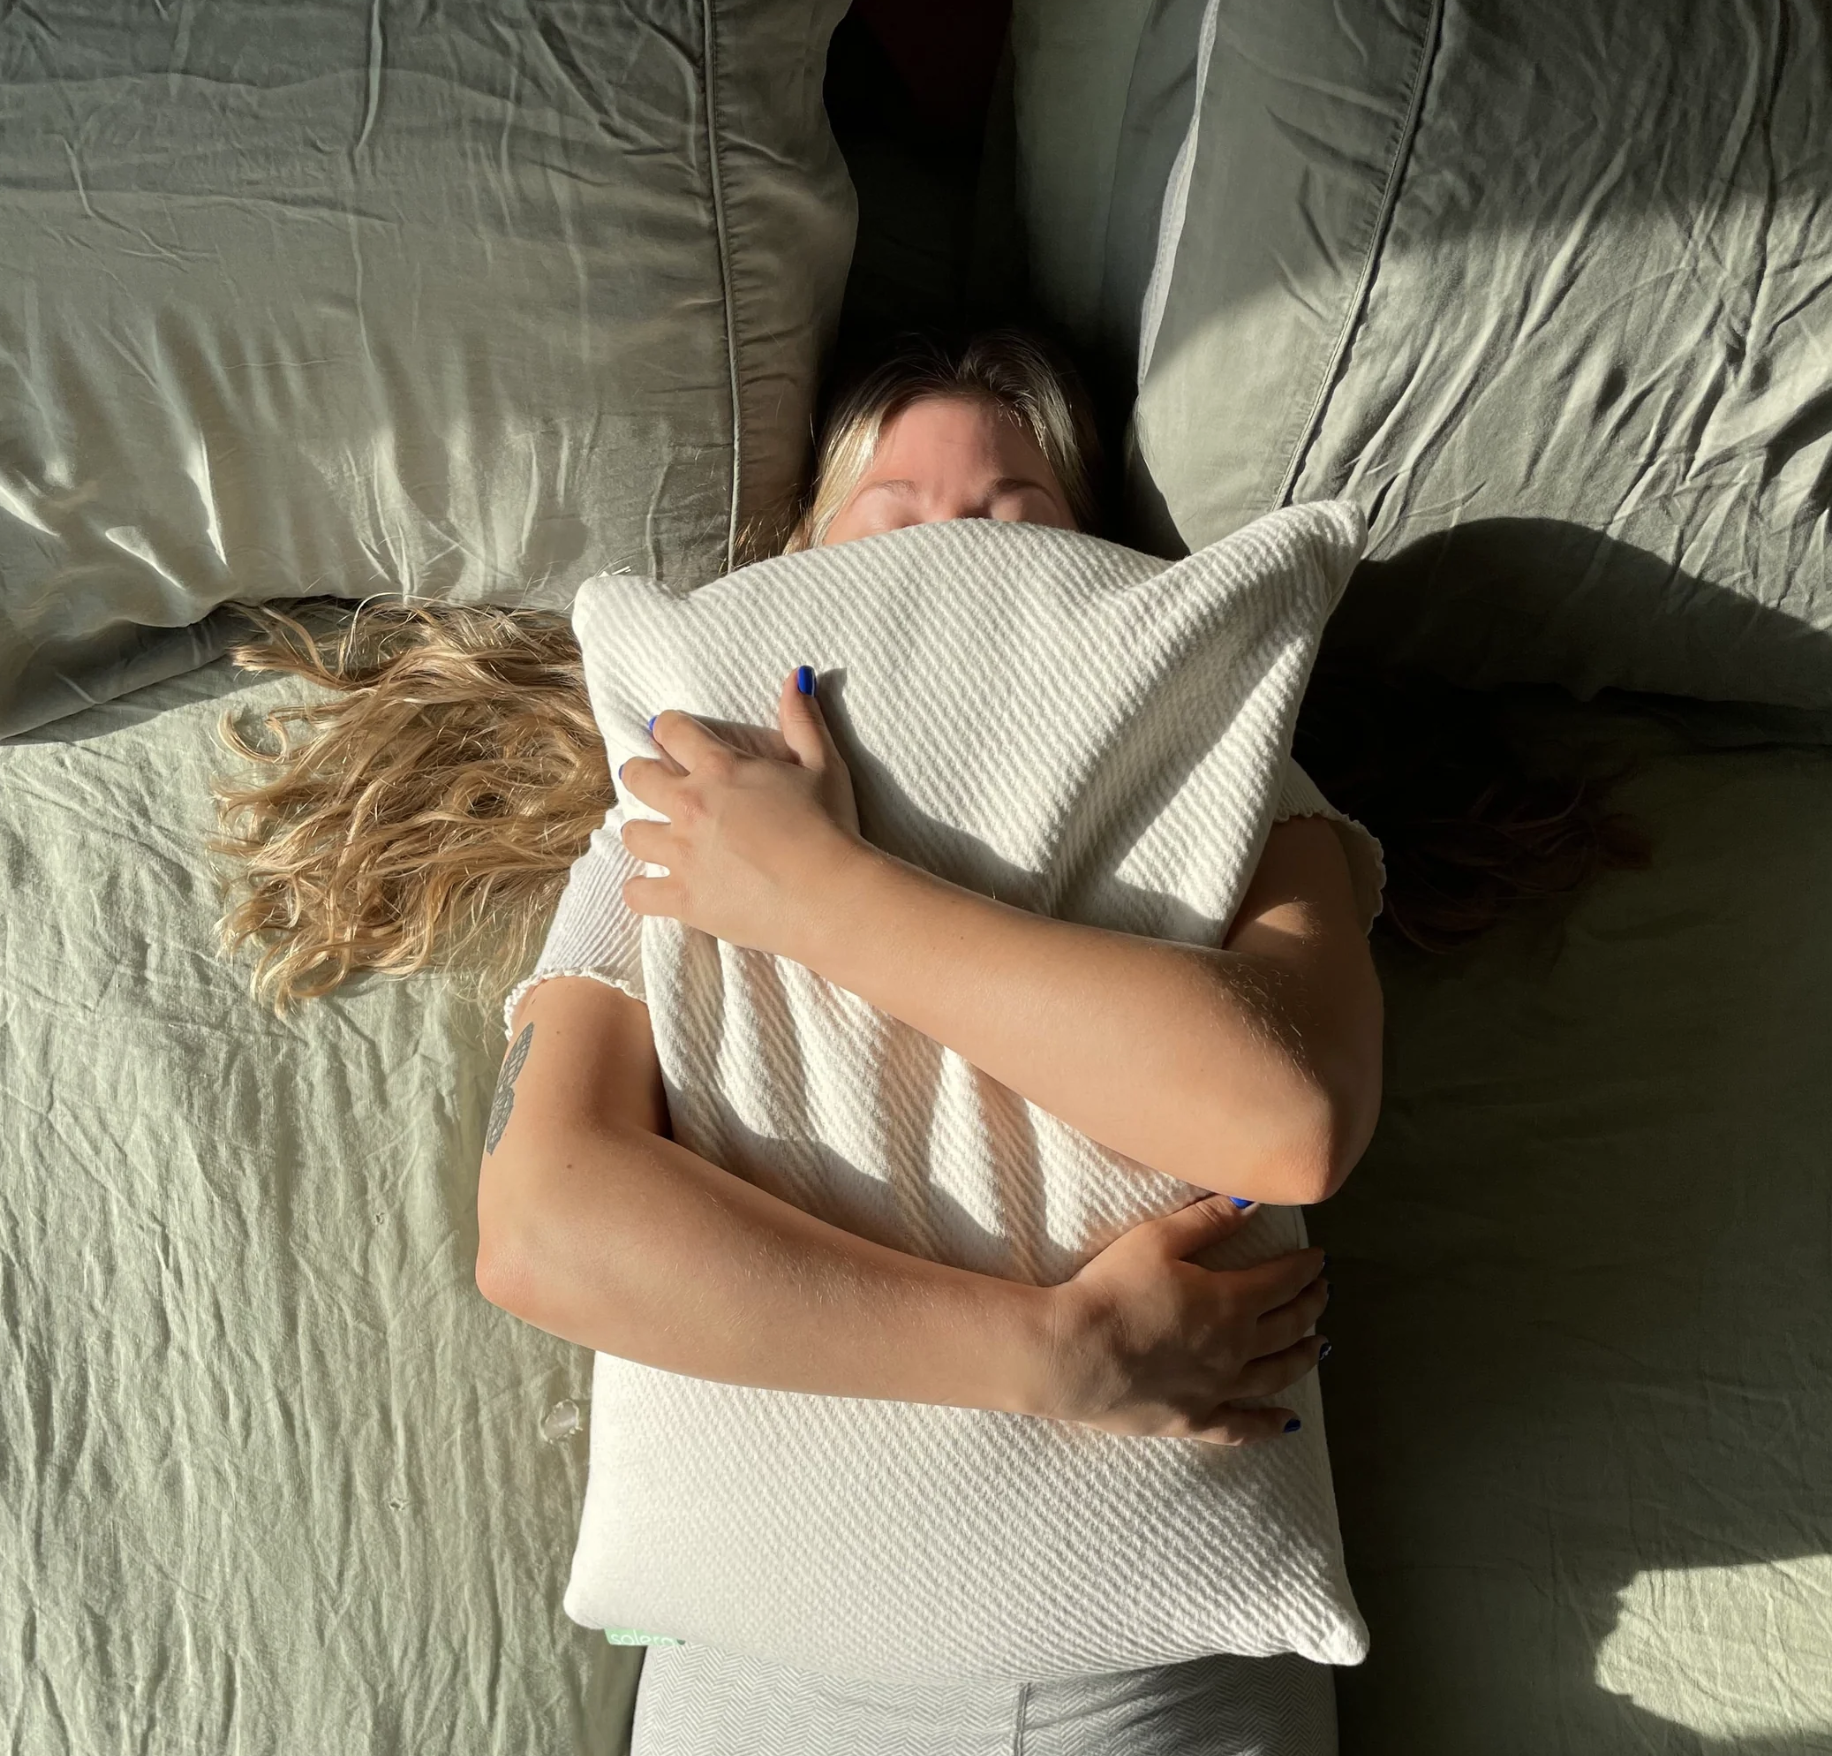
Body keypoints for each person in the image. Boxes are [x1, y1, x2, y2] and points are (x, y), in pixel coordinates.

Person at [206, 328, 1653, 1755]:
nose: (951, 556)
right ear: (796, 567)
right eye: (892, 521)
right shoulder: (673, 815)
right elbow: (544, 1231)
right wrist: (1052, 1355)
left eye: (1015, 522)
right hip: (762, 1696)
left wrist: (827, 898)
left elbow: (1290, 1120)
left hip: (1162, 1696)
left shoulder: (1239, 787)